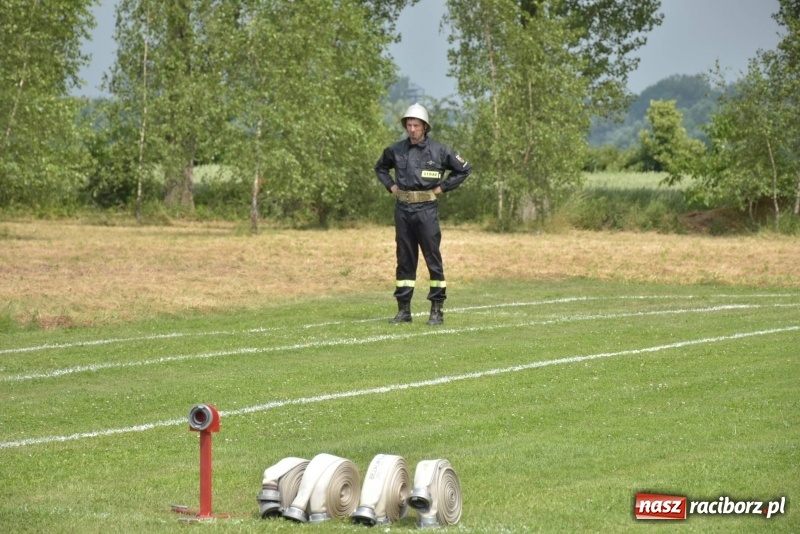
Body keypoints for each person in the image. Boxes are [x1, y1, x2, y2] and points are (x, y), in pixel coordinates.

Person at [374, 103, 472, 326]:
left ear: (425, 127)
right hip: (403, 211)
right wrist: (391, 186)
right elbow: (380, 168)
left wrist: (443, 187)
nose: (412, 129)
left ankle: (436, 310)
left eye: (416, 125)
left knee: (432, 260)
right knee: (404, 261)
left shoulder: (439, 150)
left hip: (426, 211)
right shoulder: (396, 150)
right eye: (408, 125)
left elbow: (464, 169)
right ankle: (403, 310)